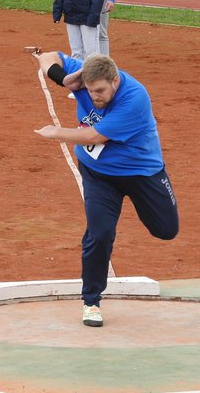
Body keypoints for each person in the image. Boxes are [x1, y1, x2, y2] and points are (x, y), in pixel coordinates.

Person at [32, 50, 179, 327]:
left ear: (114, 81)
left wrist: (56, 132)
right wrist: (65, 79)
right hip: (99, 174)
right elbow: (49, 55)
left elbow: (94, 135)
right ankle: (91, 302)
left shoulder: (135, 97)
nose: (95, 97)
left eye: (100, 91)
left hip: (141, 173)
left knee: (166, 230)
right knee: (99, 234)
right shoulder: (88, 74)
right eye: (90, 91)